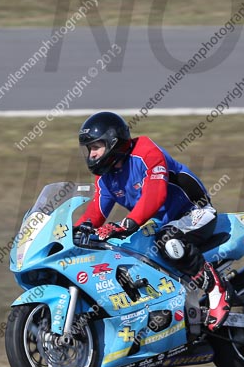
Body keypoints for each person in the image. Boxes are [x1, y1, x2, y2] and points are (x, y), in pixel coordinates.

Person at [73, 111, 230, 330]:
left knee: (168, 241)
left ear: (112, 142)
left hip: (194, 213)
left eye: (96, 147)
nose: (92, 155)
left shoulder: (146, 151)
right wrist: (75, 231)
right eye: (89, 150)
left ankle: (216, 289)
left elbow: (155, 196)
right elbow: (97, 210)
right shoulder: (106, 176)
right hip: (159, 224)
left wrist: (126, 224)